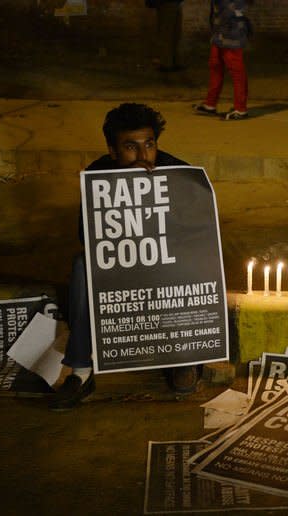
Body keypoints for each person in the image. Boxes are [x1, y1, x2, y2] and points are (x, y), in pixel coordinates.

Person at [50, 103, 200, 411]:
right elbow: (86, 237)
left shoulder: (177, 173)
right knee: (82, 265)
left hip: (167, 262)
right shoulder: (97, 175)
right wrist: (123, 188)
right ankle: (80, 370)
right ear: (113, 151)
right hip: (119, 262)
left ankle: (183, 357)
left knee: (195, 264)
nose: (143, 157)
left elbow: (200, 235)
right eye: (131, 148)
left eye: (149, 144)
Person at [194, 0, 252, 121]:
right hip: (220, 29)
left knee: (236, 70)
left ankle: (241, 109)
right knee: (215, 65)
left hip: (232, 30)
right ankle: (210, 104)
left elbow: (239, 6)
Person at [146, 0, 185, 72]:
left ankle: (167, 62)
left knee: (166, 32)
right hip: (173, 3)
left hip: (167, 3)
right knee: (173, 33)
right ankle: (174, 61)